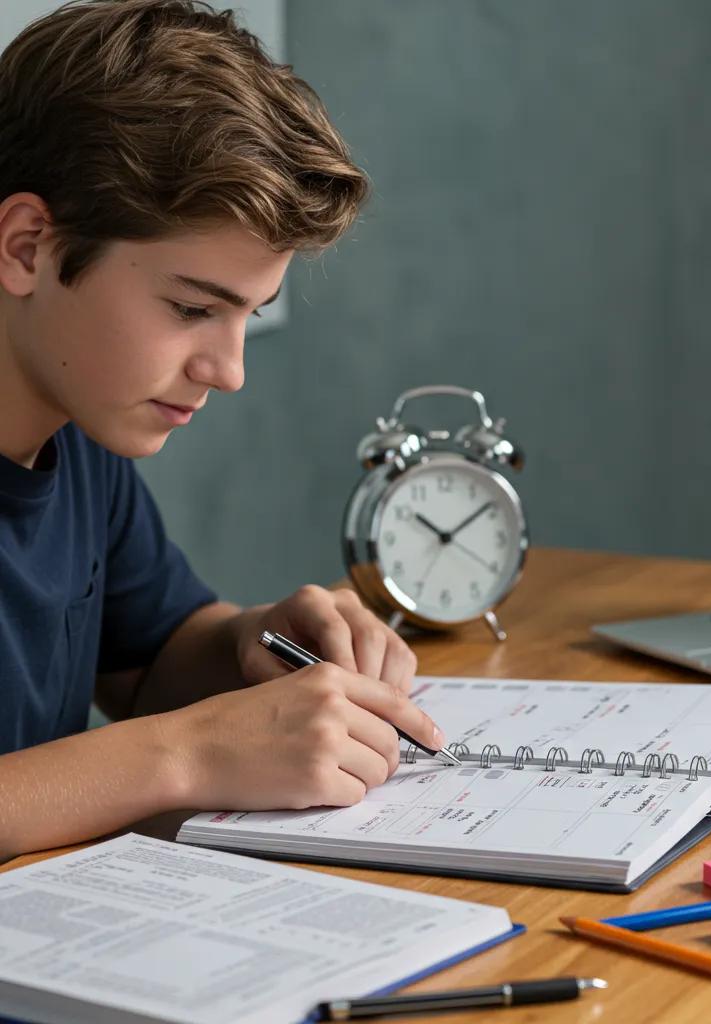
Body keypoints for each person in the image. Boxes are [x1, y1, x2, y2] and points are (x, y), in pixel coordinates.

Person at [0, 0, 445, 861]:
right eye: (193, 308)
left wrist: (254, 648)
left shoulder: (79, 429)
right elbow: (169, 735)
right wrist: (191, 751)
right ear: (26, 247)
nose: (228, 370)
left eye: (248, 315)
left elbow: (152, 661)